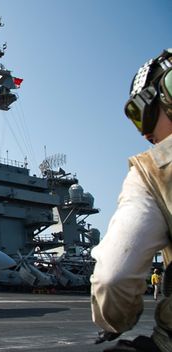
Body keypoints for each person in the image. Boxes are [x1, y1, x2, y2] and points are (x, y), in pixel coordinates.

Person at [90, 49, 172, 351]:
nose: (144, 133)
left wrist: (115, 323)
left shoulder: (154, 167)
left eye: (142, 113)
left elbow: (113, 277)